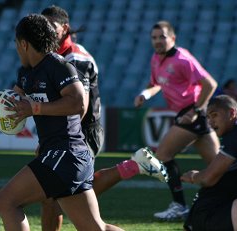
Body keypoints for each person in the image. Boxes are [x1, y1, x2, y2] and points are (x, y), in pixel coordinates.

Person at [38, 6, 168, 231]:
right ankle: (133, 165)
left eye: (50, 26)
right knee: (55, 197)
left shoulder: (76, 59)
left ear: (65, 29)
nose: (45, 31)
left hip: (81, 132)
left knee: (61, 196)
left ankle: (132, 166)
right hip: (69, 133)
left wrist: (54, 139)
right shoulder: (56, 57)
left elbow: (79, 106)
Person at [0, 13, 124, 230]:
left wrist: (35, 108)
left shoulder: (59, 66)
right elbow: (14, 101)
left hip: (66, 154)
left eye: (16, 44)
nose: (16, 49)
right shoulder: (26, 73)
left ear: (24, 44)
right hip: (67, 157)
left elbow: (78, 103)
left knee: (7, 200)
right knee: (96, 228)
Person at [134, 20, 220, 220]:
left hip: (191, 113)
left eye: (162, 37)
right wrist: (145, 94)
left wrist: (197, 110)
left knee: (163, 154)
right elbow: (156, 83)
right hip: (190, 115)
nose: (157, 41)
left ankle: (179, 206)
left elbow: (210, 84)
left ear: (173, 38)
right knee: (219, 167)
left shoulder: (183, 58)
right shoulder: (156, 58)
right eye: (154, 38)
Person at [181, 95, 237, 231]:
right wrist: (195, 176)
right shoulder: (233, 137)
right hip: (209, 215)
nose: (211, 122)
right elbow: (208, 179)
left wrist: (194, 176)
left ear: (232, 113)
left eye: (214, 115)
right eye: (208, 117)